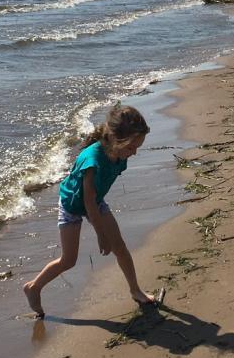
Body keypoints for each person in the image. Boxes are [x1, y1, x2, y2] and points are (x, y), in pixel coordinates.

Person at [23, 104, 156, 319]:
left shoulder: (119, 155)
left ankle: (135, 290)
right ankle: (34, 287)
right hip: (72, 205)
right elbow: (88, 202)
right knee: (69, 260)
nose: (134, 153)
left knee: (120, 246)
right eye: (131, 148)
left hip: (95, 200)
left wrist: (106, 233)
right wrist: (101, 235)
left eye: (137, 147)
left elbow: (95, 200)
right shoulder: (92, 160)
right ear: (114, 139)